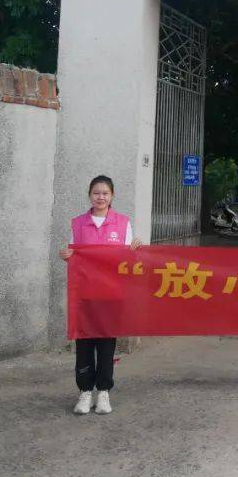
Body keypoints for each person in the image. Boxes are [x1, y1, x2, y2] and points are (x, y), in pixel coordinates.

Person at [59, 175, 142, 415]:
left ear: (112, 196)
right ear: (90, 195)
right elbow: (74, 255)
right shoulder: (78, 223)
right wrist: (66, 256)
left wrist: (135, 250)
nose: (101, 197)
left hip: (110, 295)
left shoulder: (122, 223)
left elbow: (127, 260)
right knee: (84, 343)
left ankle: (103, 392)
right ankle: (85, 392)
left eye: (105, 193)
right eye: (96, 193)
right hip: (84, 295)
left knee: (106, 345)